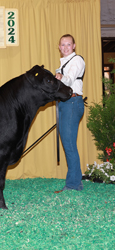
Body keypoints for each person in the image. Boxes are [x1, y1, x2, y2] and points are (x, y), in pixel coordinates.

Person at [54, 34, 85, 193]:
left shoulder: (77, 60)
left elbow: (69, 79)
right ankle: (76, 183)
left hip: (72, 103)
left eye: (68, 44)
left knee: (69, 145)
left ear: (73, 46)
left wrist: (59, 77)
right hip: (65, 104)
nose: (65, 47)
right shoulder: (62, 64)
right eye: (63, 45)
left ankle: (73, 184)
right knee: (68, 144)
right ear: (59, 47)